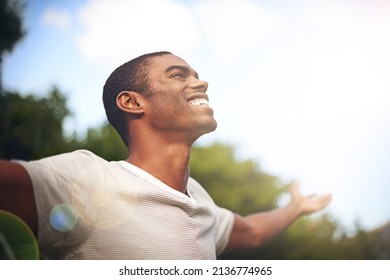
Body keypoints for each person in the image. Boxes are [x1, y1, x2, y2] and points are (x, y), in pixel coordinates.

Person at [0, 51, 332, 259]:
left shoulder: (199, 200)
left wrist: (296, 208)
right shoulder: (87, 180)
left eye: (197, 75)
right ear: (132, 102)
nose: (201, 83)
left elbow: (254, 232)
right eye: (178, 74)